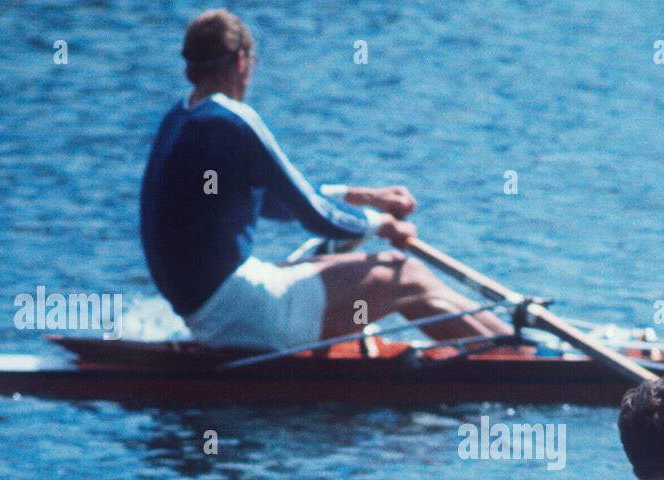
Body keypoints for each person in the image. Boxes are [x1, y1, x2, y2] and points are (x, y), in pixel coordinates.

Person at [140, 9, 510, 350]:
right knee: (404, 272)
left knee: (382, 271)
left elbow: (270, 204)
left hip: (207, 314)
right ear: (241, 62)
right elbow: (315, 217)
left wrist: (363, 198)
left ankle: (504, 352)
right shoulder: (235, 120)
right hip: (245, 314)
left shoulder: (179, 117)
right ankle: (523, 361)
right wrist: (382, 223)